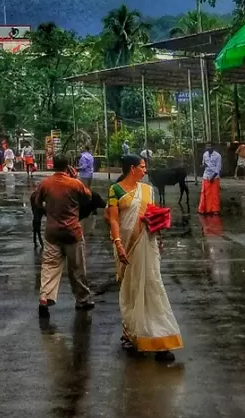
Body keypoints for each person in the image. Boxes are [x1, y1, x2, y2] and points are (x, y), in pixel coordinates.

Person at [106, 154, 182, 362]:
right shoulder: (116, 190)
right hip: (127, 247)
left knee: (152, 286)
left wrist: (159, 231)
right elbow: (113, 219)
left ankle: (160, 338)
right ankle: (131, 332)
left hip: (148, 245)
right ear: (132, 169)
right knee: (131, 290)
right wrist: (118, 243)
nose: (145, 170)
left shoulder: (147, 190)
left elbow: (151, 215)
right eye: (142, 167)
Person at [31, 156, 94, 318]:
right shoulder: (74, 183)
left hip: (52, 232)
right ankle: (82, 299)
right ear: (68, 166)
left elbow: (37, 202)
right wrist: (75, 178)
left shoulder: (46, 183)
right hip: (73, 232)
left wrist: (49, 213)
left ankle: (45, 296)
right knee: (77, 268)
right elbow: (88, 197)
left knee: (50, 266)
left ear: (53, 167)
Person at [198, 143, 222, 215]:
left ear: (213, 147)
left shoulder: (218, 155)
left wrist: (213, 177)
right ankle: (204, 209)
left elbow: (218, 168)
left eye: (210, 146)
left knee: (214, 194)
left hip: (214, 176)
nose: (208, 147)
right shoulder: (205, 154)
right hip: (206, 176)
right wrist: (203, 166)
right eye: (207, 146)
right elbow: (204, 164)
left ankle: (215, 210)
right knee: (205, 193)